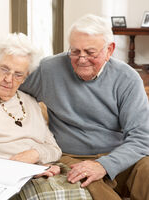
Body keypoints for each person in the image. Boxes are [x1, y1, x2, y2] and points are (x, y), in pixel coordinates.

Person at [20, 14, 149, 200]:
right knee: (87, 179)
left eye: (90, 53)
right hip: (70, 157)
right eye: (74, 51)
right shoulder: (49, 69)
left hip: (118, 155)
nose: (81, 59)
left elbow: (141, 137)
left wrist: (104, 165)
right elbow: (6, 82)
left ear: (109, 50)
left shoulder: (128, 78)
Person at [0, 33, 92, 200]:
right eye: (4, 69)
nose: (8, 79)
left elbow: (54, 150)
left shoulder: (30, 102)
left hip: (40, 171)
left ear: (26, 76)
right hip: (2, 179)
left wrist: (35, 155)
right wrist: (19, 166)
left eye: (18, 74)